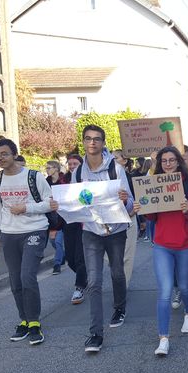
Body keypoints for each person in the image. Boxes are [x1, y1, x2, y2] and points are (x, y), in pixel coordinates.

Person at [66, 125, 134, 353]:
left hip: (115, 231)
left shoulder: (116, 168)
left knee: (116, 271)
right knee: (94, 281)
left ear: (103, 143)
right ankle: (96, 333)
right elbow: (74, 203)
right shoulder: (77, 173)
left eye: (97, 139)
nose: (92, 143)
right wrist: (61, 206)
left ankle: (119, 307)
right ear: (83, 142)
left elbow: (131, 204)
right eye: (88, 139)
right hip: (91, 232)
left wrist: (125, 201)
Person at [0, 139, 53, 345]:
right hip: (9, 234)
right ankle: (24, 319)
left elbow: (50, 203)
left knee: (27, 276)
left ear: (15, 154)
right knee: (15, 280)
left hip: (34, 230)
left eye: (4, 154)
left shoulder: (34, 176)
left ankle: (34, 323)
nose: (0, 158)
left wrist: (27, 208)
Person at [141, 146, 188, 356]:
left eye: (171, 160)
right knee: (165, 291)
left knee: (184, 285)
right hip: (163, 244)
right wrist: (144, 209)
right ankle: (163, 338)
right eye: (163, 161)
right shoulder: (152, 184)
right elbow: (151, 219)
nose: (167, 164)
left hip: (186, 242)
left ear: (178, 161)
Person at [62, 154, 87, 304]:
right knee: (70, 258)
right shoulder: (63, 180)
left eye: (75, 163)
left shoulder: (86, 178)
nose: (72, 166)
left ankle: (79, 287)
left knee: (80, 257)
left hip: (84, 222)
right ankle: (85, 276)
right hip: (69, 222)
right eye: (70, 163)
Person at [113, 149, 139, 288]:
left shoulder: (131, 177)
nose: (112, 160)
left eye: (115, 157)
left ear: (124, 160)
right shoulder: (108, 177)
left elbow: (138, 198)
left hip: (129, 218)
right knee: (113, 258)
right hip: (112, 222)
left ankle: (122, 288)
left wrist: (131, 213)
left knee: (126, 258)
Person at [45, 160, 66, 275]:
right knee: (52, 240)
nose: (47, 170)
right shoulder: (45, 182)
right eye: (46, 168)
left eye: (49, 168)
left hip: (62, 214)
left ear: (56, 169)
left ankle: (57, 264)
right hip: (51, 215)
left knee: (58, 241)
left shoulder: (63, 181)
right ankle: (62, 255)